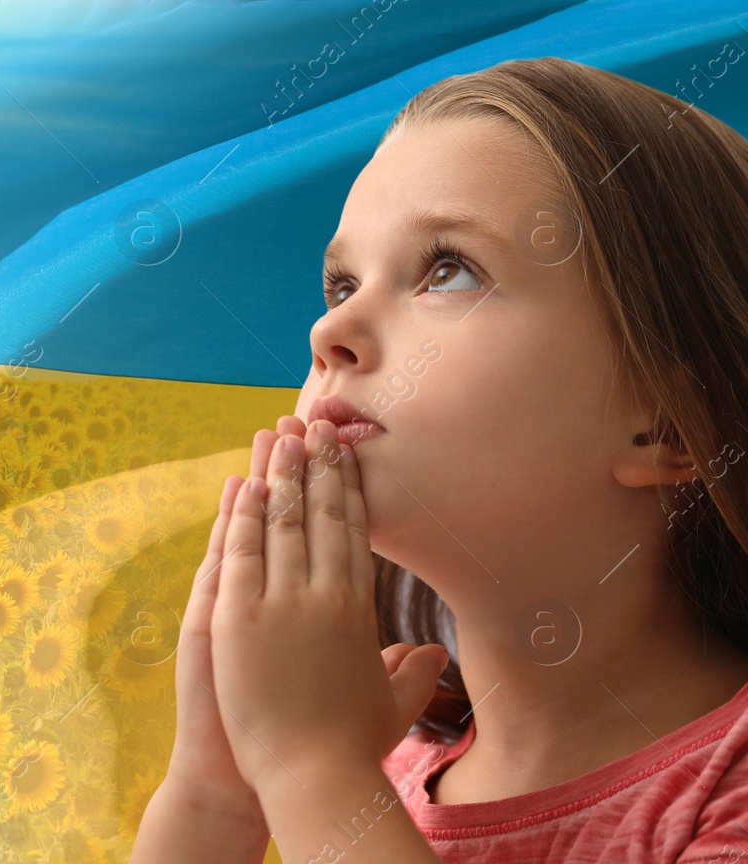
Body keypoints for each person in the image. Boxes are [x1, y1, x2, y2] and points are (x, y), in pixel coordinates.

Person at [132, 55, 748, 863]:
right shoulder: (368, 770)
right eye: (342, 284)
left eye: (447, 269)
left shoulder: (338, 780)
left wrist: (309, 766)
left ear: (668, 427)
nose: (328, 334)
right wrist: (217, 793)